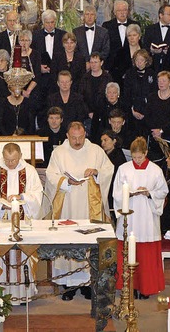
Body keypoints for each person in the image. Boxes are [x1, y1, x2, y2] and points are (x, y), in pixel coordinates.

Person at [44, 122, 114, 300]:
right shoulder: (59, 152)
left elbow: (109, 169)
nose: (77, 141)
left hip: (88, 206)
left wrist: (97, 172)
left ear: (85, 134)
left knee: (87, 240)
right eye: (73, 138)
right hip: (67, 203)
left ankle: (87, 283)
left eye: (80, 137)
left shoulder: (95, 150)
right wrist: (66, 182)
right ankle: (67, 284)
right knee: (68, 240)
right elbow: (51, 175)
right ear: (67, 136)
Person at [0, 143, 43, 301]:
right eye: (8, 160)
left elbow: (38, 194)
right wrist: (1, 203)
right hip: (2, 220)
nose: (11, 163)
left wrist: (22, 197)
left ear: (20, 156)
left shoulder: (29, 171)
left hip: (23, 221)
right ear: (3, 156)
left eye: (14, 160)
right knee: (2, 255)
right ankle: (0, 294)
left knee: (23, 255)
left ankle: (24, 295)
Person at [112, 137, 168, 299]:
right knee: (127, 250)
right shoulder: (124, 169)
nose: (137, 161)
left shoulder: (155, 170)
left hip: (147, 217)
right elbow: (116, 193)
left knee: (146, 255)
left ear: (146, 153)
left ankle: (146, 287)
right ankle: (129, 286)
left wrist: (149, 193)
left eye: (140, 157)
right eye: (134, 157)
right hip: (129, 216)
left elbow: (163, 191)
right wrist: (128, 192)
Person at [32, 10, 67, 102]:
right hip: (41, 77)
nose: (50, 25)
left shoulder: (63, 35)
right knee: (41, 104)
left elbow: (66, 54)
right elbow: (32, 55)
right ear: (43, 22)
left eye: (52, 22)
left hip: (57, 76)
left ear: (55, 21)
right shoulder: (35, 36)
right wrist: (38, 67)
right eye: (47, 22)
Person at [123, 49, 157, 136]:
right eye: (137, 60)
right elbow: (127, 93)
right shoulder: (129, 73)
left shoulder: (152, 74)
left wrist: (146, 112)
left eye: (141, 60)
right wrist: (132, 110)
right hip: (133, 111)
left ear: (146, 61)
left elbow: (154, 93)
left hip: (148, 112)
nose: (139, 62)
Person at [79, 52, 113, 140]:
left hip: (103, 116)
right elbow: (81, 98)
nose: (93, 65)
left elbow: (109, 97)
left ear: (101, 63)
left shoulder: (108, 78)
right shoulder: (85, 78)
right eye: (91, 62)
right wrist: (88, 112)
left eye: (96, 62)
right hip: (88, 116)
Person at [144, 71, 170, 144]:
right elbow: (148, 116)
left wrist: (161, 131)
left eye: (164, 81)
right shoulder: (152, 96)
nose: (161, 83)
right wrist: (155, 131)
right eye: (159, 81)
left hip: (168, 134)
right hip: (153, 133)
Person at [102, 0, 139, 70]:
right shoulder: (107, 25)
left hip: (130, 65)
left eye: (124, 10)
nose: (122, 13)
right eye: (119, 10)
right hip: (112, 65)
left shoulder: (135, 25)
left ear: (128, 11)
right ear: (114, 12)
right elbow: (105, 46)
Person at [100, 130, 127, 221]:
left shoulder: (118, 156)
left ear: (114, 141)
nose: (103, 143)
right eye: (102, 141)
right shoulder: (104, 155)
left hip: (113, 190)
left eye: (105, 140)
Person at [143, 4, 170, 72]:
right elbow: (145, 47)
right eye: (169, 14)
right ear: (161, 15)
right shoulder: (150, 29)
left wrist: (169, 51)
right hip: (153, 66)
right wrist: (152, 51)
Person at [109, 24, 144, 88]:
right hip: (124, 86)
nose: (132, 38)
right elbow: (114, 71)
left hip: (143, 86)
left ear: (139, 36)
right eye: (129, 36)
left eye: (134, 35)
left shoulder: (145, 52)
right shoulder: (120, 52)